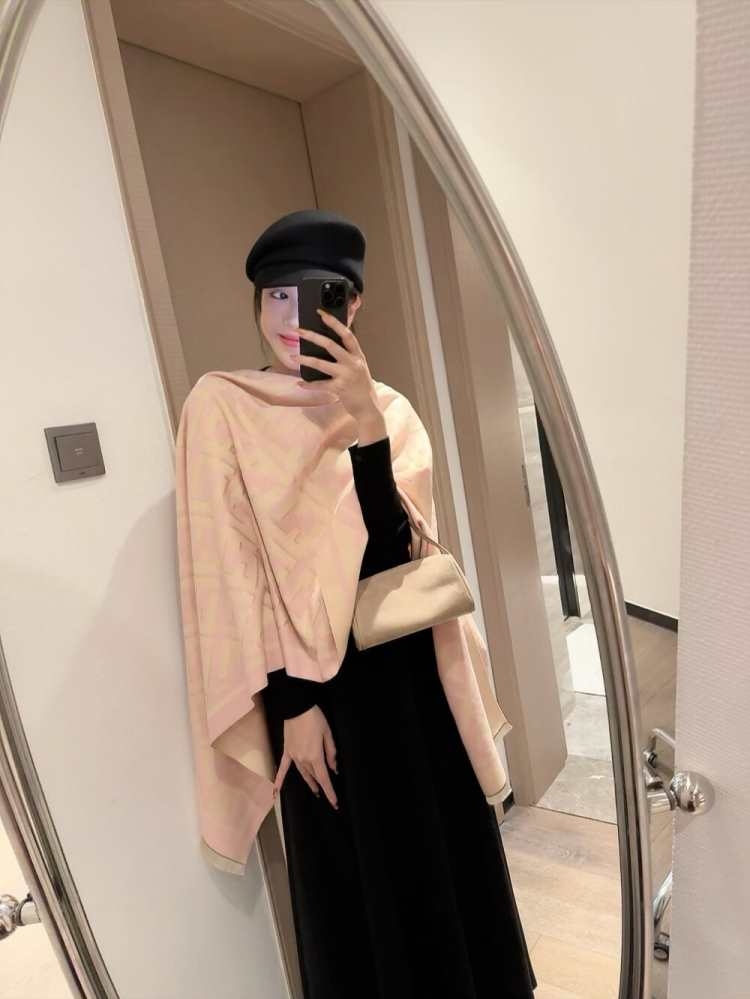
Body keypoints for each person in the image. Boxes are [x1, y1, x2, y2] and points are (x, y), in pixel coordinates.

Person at [241, 209, 537, 999]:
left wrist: (367, 430)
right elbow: (242, 575)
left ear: (353, 304)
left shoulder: (391, 412)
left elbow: (398, 554)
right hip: (318, 697)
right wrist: (293, 703)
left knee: (438, 867)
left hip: (406, 682)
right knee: (355, 894)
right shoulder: (232, 415)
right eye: (275, 296)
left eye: (315, 296)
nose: (291, 317)